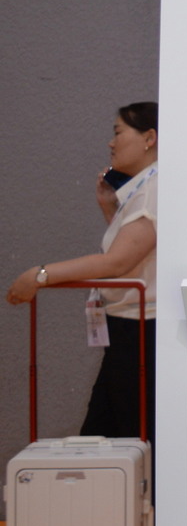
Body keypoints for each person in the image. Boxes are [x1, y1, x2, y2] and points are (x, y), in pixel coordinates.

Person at [7, 102, 159, 468]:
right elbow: (132, 255)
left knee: (126, 443)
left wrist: (41, 275)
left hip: (139, 335)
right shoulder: (145, 189)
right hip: (128, 332)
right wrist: (110, 209)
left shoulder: (156, 188)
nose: (111, 143)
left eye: (118, 132)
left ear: (149, 138)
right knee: (108, 440)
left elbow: (117, 263)